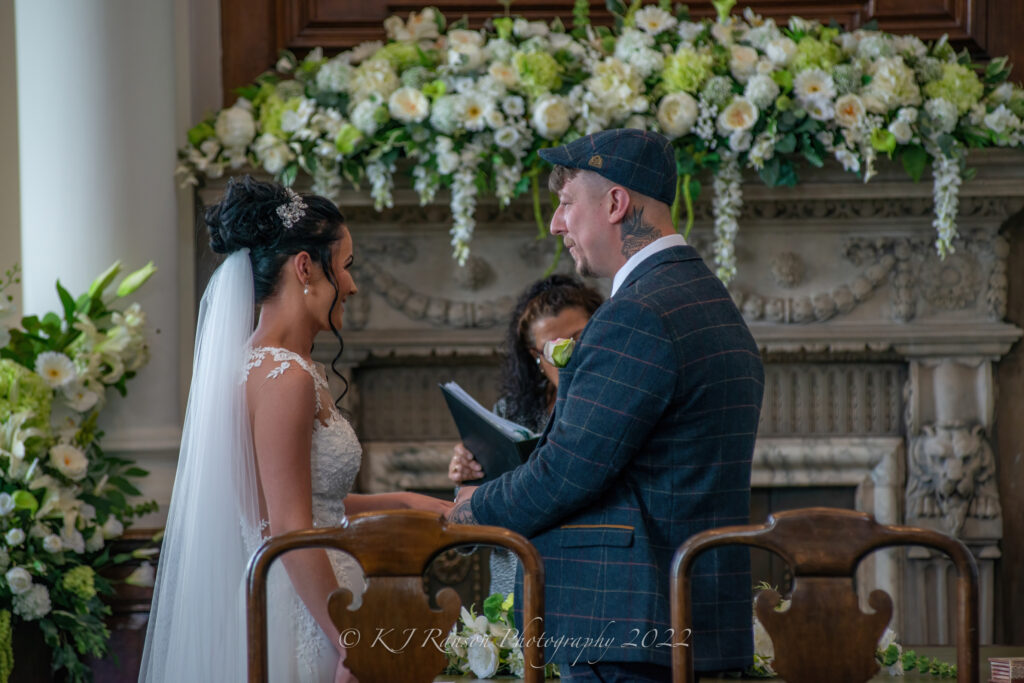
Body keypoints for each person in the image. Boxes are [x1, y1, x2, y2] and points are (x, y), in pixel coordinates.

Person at [447, 129, 765, 682]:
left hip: (628, 634)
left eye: (567, 203)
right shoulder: (705, 297)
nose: (556, 223)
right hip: (682, 622)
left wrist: (470, 510)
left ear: (616, 203)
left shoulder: (638, 314)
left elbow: (566, 472)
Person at [139, 176, 451, 683]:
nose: (350, 285)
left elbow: (299, 505)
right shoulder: (285, 377)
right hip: (306, 609)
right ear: (306, 267)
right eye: (346, 267)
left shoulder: (262, 366)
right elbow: (288, 526)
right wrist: (347, 639)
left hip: (299, 588)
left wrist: (407, 500)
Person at [448, 274, 604, 595]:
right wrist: (467, 480)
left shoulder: (614, 409)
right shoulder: (508, 415)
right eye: (554, 348)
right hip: (513, 587)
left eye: (579, 338)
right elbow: (464, 540)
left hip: (587, 583)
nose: (570, 355)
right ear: (535, 355)